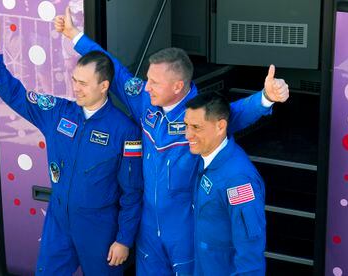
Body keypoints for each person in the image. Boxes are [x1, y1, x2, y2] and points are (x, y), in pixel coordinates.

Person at [55, 7, 289, 275]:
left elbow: (234, 113)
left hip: (185, 229)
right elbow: (115, 70)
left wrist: (266, 98)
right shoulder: (145, 99)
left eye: (154, 82)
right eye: (148, 79)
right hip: (148, 227)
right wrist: (74, 35)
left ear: (178, 87)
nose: (147, 86)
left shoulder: (202, 114)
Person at [0, 18, 143, 275]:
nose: (75, 88)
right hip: (58, 223)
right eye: (74, 80)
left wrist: (124, 239)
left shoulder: (126, 131)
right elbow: (16, 95)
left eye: (83, 83)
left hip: (99, 228)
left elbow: (132, 193)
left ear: (104, 86)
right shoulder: (58, 113)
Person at [184, 91, 266, 275]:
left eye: (196, 127)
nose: (187, 135)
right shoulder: (206, 155)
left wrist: (266, 97)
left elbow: (250, 255)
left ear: (221, 126)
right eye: (186, 125)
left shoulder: (238, 181)